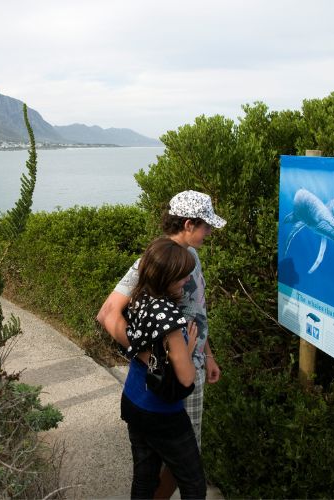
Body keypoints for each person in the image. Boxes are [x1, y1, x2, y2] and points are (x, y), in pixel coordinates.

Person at [97, 190, 225, 498]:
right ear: (188, 223)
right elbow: (107, 313)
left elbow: (196, 310)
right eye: (205, 225)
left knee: (162, 461)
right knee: (185, 461)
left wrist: (207, 354)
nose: (209, 232)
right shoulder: (153, 261)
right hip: (174, 377)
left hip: (191, 365)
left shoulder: (189, 256)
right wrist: (151, 356)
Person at [119, 237, 206, 499]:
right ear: (167, 278)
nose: (184, 282)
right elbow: (186, 377)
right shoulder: (171, 321)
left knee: (144, 479)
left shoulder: (138, 298)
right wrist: (188, 350)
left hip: (133, 400)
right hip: (163, 414)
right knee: (193, 484)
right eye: (181, 277)